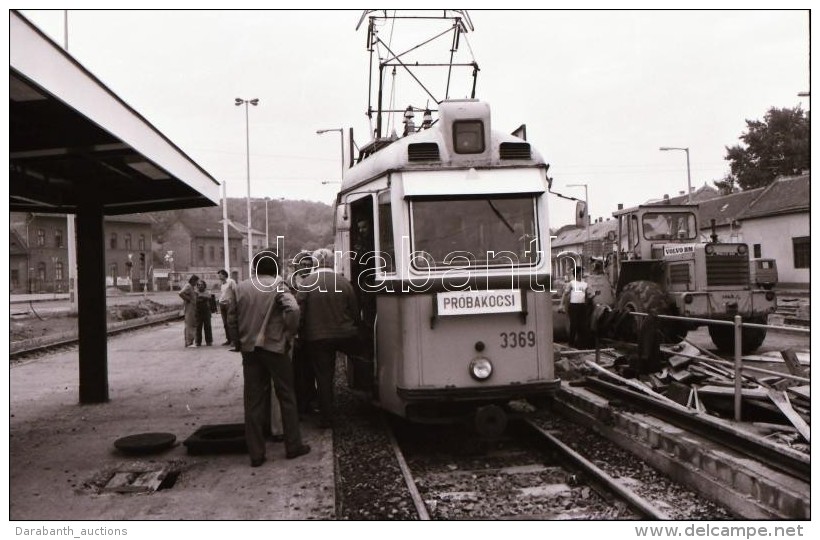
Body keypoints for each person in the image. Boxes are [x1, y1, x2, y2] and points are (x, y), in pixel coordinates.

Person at [228, 248, 310, 467]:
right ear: (276, 268)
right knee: (286, 396)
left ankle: (256, 454)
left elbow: (230, 316)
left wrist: (238, 340)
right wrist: (289, 333)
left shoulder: (241, 287)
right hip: (275, 348)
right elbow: (292, 309)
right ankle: (293, 446)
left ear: (254, 267)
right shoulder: (278, 285)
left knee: (253, 400)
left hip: (250, 351)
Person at [298, 248, 363, 428]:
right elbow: (355, 312)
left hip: (317, 338)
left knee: (324, 376)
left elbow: (300, 314)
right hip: (345, 334)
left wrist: (301, 335)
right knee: (361, 359)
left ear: (315, 263)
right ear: (332, 262)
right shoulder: (344, 283)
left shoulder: (306, 283)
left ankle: (327, 417)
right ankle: (366, 395)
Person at [559, 269, 591, 347]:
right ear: (577, 273)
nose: (582, 274)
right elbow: (565, 294)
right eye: (581, 272)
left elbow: (588, 294)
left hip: (582, 306)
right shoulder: (571, 283)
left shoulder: (585, 284)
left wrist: (593, 295)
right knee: (573, 325)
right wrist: (561, 305)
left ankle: (582, 345)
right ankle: (571, 344)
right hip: (573, 306)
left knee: (582, 326)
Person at [178, 274, 200, 347]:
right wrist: (188, 299)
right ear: (193, 280)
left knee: (191, 324)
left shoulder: (191, 287)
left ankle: (189, 342)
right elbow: (180, 293)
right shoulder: (188, 286)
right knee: (190, 324)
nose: (197, 283)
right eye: (196, 281)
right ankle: (189, 343)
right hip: (189, 308)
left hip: (192, 308)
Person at [217, 269, 237, 346]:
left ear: (225, 275)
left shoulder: (231, 282)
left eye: (220, 274)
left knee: (230, 322)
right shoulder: (222, 284)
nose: (219, 276)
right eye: (219, 275)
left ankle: (233, 340)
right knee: (225, 323)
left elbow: (235, 291)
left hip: (229, 304)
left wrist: (233, 301)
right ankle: (228, 339)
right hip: (222, 304)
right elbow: (223, 294)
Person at [194, 280, 213, 347]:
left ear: (204, 285)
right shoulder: (195, 292)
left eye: (201, 285)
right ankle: (198, 342)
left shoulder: (207, 291)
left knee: (207, 326)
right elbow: (195, 300)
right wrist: (202, 297)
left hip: (206, 311)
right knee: (198, 327)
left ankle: (209, 341)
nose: (200, 286)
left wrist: (200, 297)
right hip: (198, 312)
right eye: (198, 285)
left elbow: (209, 297)